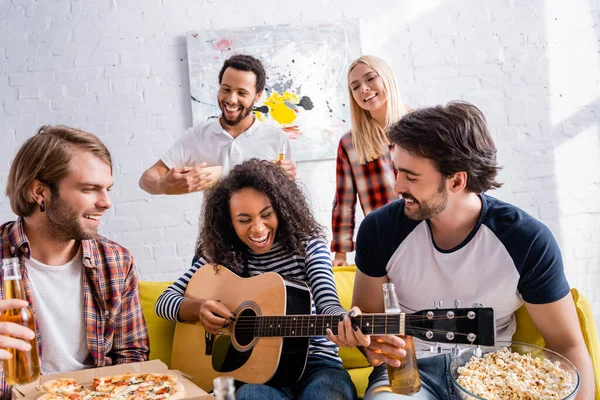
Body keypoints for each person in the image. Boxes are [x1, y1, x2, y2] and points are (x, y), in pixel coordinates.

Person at [335, 102, 595, 399]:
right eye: (397, 171)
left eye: (411, 176)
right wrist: (368, 342)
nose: (396, 186)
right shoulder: (379, 230)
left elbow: (566, 344)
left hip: (495, 375)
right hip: (407, 371)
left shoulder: (526, 240)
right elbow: (369, 322)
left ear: (457, 180)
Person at [155, 159, 364, 400]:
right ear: (229, 222)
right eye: (244, 220)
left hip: (318, 364)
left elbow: (327, 302)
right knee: (249, 396)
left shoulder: (308, 248)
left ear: (282, 210)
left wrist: (344, 322)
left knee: (327, 394)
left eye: (266, 215)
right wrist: (199, 308)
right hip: (255, 374)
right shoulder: (223, 256)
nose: (257, 229)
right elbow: (164, 301)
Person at [0, 125, 149, 399]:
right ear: (40, 192)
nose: (106, 202)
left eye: (107, 189)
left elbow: (132, 356)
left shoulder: (116, 262)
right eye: (90, 189)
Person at [139, 54, 296, 197]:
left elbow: (288, 196)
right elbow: (146, 179)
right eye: (226, 89)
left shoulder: (276, 139)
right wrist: (162, 185)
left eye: (242, 93)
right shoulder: (197, 136)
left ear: (258, 96)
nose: (231, 99)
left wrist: (287, 182)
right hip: (215, 228)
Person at [331, 55, 408, 266]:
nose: (363, 89)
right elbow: (344, 202)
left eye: (370, 79)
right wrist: (340, 253)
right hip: (383, 243)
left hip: (428, 235)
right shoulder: (349, 143)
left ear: (386, 78)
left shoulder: (422, 125)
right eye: (355, 87)